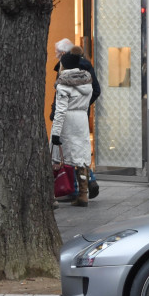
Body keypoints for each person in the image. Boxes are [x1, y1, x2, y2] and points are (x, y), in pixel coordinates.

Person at [50, 52, 94, 207]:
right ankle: (83, 195)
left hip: (67, 123)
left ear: (64, 65)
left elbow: (60, 111)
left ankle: (52, 196)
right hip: (82, 121)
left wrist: (55, 133)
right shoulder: (87, 83)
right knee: (81, 158)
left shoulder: (63, 84)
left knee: (56, 158)